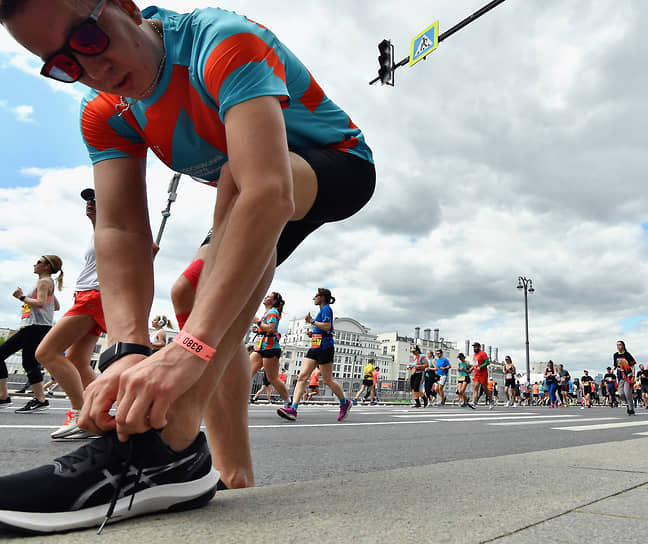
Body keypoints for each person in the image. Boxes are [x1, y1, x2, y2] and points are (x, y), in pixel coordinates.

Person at [0, 0, 376, 532]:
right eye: (64, 65)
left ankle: (166, 449)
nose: (93, 69)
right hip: (248, 183)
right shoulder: (105, 108)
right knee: (189, 294)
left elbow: (267, 191)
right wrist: (127, 351)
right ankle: (229, 473)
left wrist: (188, 351)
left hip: (335, 165)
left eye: (88, 38)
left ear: (126, 9)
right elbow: (120, 230)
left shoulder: (220, 42)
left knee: (238, 188)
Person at [33, 191, 104, 438]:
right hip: (88, 296)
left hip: (94, 296)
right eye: (89, 200)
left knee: (45, 353)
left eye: (97, 199)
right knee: (77, 361)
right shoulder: (98, 232)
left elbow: (150, 248)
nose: (90, 204)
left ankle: (80, 413)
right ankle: (99, 413)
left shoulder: (116, 228)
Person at [0, 255, 63, 413]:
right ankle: (5, 396)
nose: (35, 265)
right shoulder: (48, 283)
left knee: (28, 362)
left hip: (36, 327)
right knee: (27, 361)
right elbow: (55, 306)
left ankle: (39, 399)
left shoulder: (44, 282)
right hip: (34, 326)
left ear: (47, 267)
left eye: (39, 262)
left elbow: (41, 303)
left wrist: (22, 297)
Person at [278, 288, 351, 421]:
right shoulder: (322, 311)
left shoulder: (327, 309)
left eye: (316, 296)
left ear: (322, 297)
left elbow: (328, 327)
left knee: (328, 380)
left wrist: (312, 321)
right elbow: (323, 328)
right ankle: (293, 409)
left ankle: (344, 402)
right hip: (315, 346)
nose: (314, 298)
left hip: (325, 347)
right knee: (301, 377)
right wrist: (313, 333)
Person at [249, 292, 289, 407]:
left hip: (270, 348)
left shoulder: (272, 312)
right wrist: (258, 330)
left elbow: (271, 329)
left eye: (268, 297)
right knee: (247, 372)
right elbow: (266, 329)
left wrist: (257, 322)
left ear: (274, 301)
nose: (265, 297)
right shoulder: (267, 313)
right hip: (261, 347)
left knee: (272, 378)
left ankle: (288, 402)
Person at [613, 341, 636, 416]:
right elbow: (615, 365)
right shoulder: (615, 355)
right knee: (621, 393)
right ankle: (627, 404)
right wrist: (612, 370)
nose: (618, 346)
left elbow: (632, 366)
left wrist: (633, 376)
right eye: (617, 345)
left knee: (627, 393)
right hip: (620, 376)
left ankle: (631, 409)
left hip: (627, 376)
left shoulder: (627, 354)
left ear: (623, 346)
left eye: (620, 345)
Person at [470, 342, 494, 410]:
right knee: (475, 387)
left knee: (485, 389)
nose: (475, 348)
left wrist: (481, 367)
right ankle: (474, 403)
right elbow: (475, 364)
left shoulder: (483, 353)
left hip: (483, 374)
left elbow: (487, 362)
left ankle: (491, 401)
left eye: (476, 347)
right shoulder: (474, 355)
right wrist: (471, 369)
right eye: (474, 347)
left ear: (479, 347)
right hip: (476, 374)